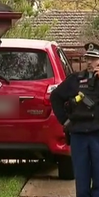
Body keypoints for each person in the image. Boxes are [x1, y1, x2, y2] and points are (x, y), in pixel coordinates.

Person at [50, 42, 99, 197]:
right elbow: (55, 97)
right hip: (79, 137)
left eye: (94, 58)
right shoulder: (76, 80)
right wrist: (65, 121)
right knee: (82, 183)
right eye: (88, 58)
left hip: (98, 135)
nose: (90, 62)